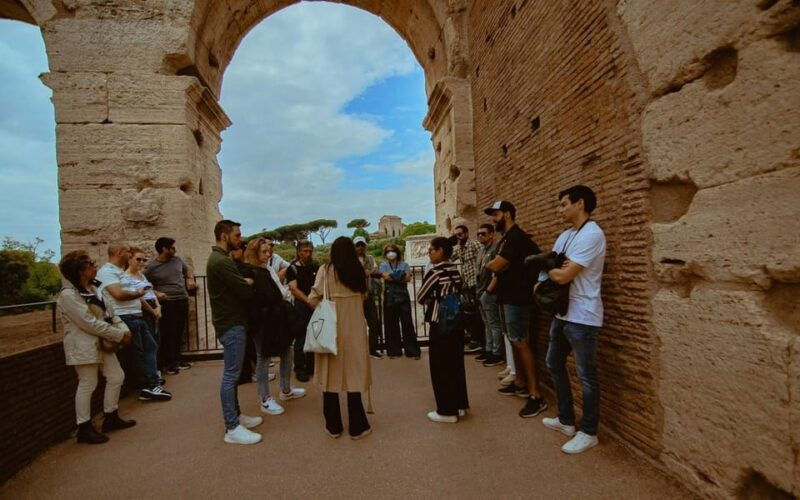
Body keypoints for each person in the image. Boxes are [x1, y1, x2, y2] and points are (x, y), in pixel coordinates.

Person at [540, 185, 606, 454]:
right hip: (563, 312)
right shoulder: (566, 235)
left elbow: (563, 275)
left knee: (586, 375)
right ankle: (566, 420)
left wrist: (551, 268)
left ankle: (589, 432)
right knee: (553, 362)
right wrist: (551, 268)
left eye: (564, 204)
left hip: (584, 315)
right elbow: (551, 267)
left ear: (580, 204)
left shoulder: (592, 234)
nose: (560, 210)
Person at [57, 250, 135, 444]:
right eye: (91, 263)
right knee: (88, 383)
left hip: (101, 342)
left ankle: (110, 416)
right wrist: (118, 335)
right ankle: (83, 427)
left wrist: (124, 329)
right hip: (83, 344)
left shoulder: (95, 288)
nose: (96, 266)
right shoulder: (68, 295)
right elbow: (88, 322)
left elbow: (110, 313)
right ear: (80, 270)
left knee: (116, 376)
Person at [484, 201, 548, 418]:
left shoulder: (516, 238)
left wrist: (493, 264)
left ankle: (535, 395)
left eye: (496, 214)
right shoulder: (506, 239)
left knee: (521, 342)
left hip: (518, 298)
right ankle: (520, 382)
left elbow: (495, 265)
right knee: (514, 340)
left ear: (508, 214)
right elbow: (499, 264)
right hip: (507, 296)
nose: (493, 219)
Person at [308, 237, 372, 440]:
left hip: (331, 330)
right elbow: (365, 295)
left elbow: (312, 299)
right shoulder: (359, 270)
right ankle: (358, 426)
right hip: (354, 330)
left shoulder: (326, 271)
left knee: (330, 377)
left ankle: (333, 425)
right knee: (354, 375)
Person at [206, 220, 262, 445]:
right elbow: (245, 291)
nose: (240, 239)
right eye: (237, 235)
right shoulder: (221, 261)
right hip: (231, 323)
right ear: (224, 235)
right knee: (231, 375)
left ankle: (236, 417)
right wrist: (247, 282)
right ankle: (232, 427)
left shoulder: (221, 259)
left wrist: (244, 282)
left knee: (233, 374)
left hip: (231, 321)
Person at [97, 244, 171, 401]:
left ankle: (151, 383)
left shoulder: (119, 272)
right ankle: (148, 386)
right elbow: (118, 294)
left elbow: (137, 295)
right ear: (119, 252)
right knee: (137, 353)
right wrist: (138, 293)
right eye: (127, 252)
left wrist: (152, 309)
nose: (129, 255)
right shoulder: (107, 272)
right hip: (125, 316)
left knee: (150, 347)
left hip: (136, 315)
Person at [243, 237, 306, 416]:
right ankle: (265, 398)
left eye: (269, 251)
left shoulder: (267, 268)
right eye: (264, 251)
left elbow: (278, 289)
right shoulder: (250, 272)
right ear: (254, 253)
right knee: (263, 356)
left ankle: (286, 389)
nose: (268, 254)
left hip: (276, 317)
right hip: (261, 320)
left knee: (287, 350)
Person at [418, 237, 469, 423]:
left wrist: (434, 299)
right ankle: (460, 405)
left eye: (431, 250)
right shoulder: (455, 270)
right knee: (456, 364)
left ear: (440, 250)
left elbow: (421, 296)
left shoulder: (435, 272)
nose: (429, 253)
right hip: (457, 322)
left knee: (440, 366)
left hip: (440, 324)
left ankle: (447, 411)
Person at [144, 237, 195, 375]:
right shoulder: (152, 267)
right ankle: (168, 363)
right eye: (172, 248)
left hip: (182, 299)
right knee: (168, 333)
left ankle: (177, 360)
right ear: (164, 249)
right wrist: (156, 293)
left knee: (179, 331)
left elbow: (187, 271)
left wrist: (190, 279)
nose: (175, 250)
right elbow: (142, 283)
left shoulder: (177, 260)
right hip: (167, 302)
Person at [124, 247, 164, 386]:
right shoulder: (126, 277)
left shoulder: (141, 275)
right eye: (138, 259)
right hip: (145, 309)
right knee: (149, 343)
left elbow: (150, 292)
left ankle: (154, 372)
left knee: (155, 341)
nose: (141, 262)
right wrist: (153, 311)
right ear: (129, 259)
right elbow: (139, 298)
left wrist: (158, 306)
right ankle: (149, 376)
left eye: (144, 260)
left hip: (152, 306)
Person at [379, 244, 421, 359]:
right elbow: (385, 277)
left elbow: (407, 278)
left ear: (397, 252)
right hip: (390, 296)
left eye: (392, 250)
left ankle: (412, 351)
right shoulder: (383, 265)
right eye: (388, 251)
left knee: (407, 323)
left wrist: (393, 276)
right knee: (391, 324)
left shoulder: (404, 264)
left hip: (402, 296)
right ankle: (394, 351)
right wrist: (400, 275)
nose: (390, 253)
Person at [286, 240, 319, 382]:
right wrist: (308, 301)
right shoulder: (292, 269)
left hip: (314, 306)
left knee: (314, 336)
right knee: (301, 338)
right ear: (299, 252)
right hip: (301, 306)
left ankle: (312, 366)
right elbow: (294, 289)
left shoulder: (315, 267)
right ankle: (300, 368)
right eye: (305, 251)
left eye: (310, 251)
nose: (308, 254)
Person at [452, 225, 485, 355]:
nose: (458, 237)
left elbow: (483, 258)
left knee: (477, 314)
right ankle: (475, 340)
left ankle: (478, 342)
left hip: (476, 283)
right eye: (456, 235)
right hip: (468, 284)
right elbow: (449, 257)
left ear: (466, 233)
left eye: (460, 234)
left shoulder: (474, 244)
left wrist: (479, 274)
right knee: (470, 313)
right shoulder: (459, 248)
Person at [475, 224, 504, 367]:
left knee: (494, 323)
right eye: (478, 234)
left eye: (483, 233)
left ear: (492, 234)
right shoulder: (481, 250)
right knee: (486, 323)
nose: (480, 236)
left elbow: (497, 272)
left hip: (490, 292)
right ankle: (489, 349)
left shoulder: (495, 249)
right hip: (481, 291)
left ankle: (497, 353)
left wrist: (488, 291)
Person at [354, 236, 383, 359]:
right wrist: (364, 273)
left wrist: (368, 272)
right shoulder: (350, 260)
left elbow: (375, 270)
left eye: (362, 245)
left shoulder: (370, 258)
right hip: (355, 296)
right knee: (356, 325)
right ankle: (358, 350)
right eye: (358, 245)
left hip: (368, 294)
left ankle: (372, 348)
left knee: (374, 322)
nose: (360, 247)